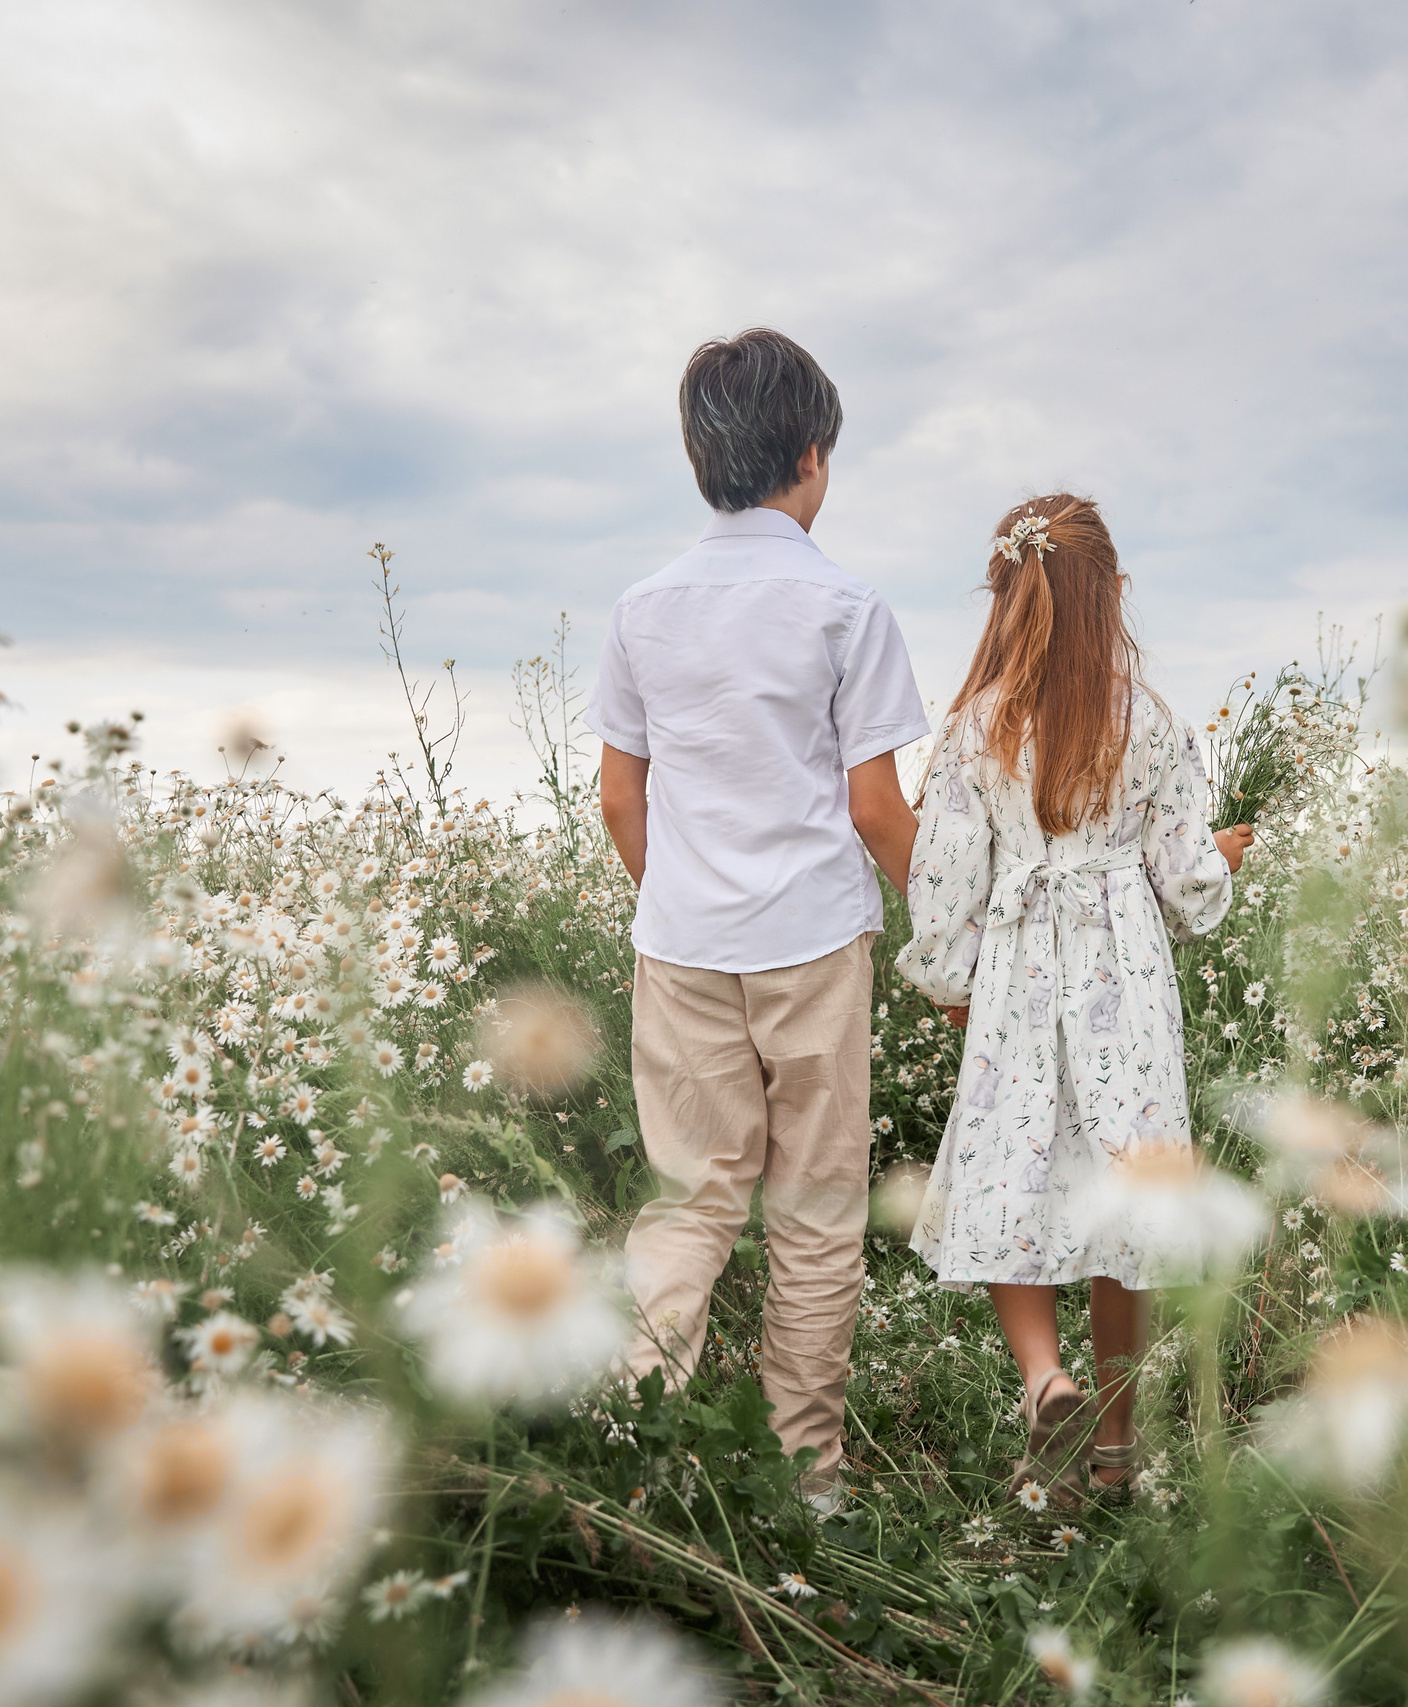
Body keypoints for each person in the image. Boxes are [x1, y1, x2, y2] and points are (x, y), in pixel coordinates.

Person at [588, 328, 932, 1509]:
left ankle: (629, 1446)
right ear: (811, 455)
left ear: (699, 459)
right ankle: (808, 1482)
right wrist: (945, 935)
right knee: (816, 1215)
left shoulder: (643, 609)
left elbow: (619, 797)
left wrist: (680, 895)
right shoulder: (846, 605)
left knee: (689, 1202)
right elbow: (878, 810)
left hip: (682, 947)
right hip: (816, 944)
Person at [895, 493, 1253, 1499]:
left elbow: (946, 878)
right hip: (1123, 980)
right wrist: (1220, 860)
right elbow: (1182, 886)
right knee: (1122, 1197)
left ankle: (1044, 1379)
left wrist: (945, 980)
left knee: (1018, 1170)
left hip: (1018, 976)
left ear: (1005, 593)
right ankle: (1112, 1454)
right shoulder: (1149, 722)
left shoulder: (976, 725)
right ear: (1115, 596)